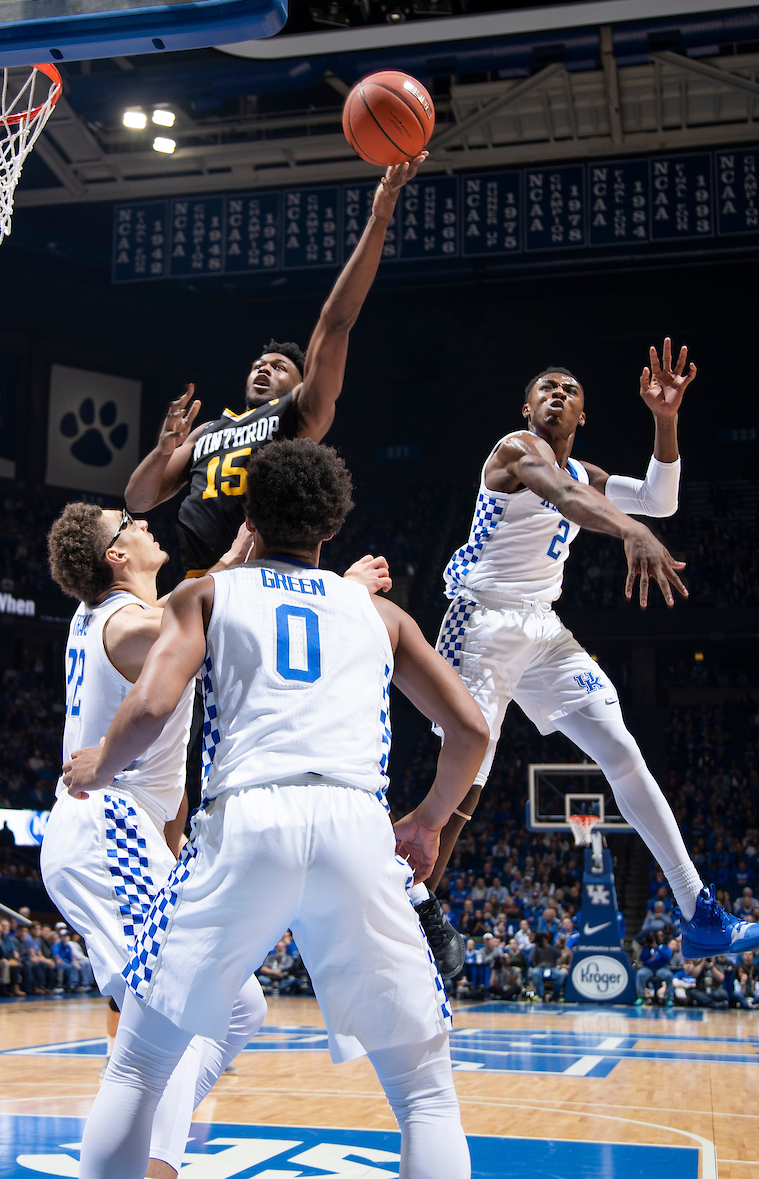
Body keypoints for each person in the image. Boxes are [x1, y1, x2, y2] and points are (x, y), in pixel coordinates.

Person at [63, 438, 489, 1179]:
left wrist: (102, 761)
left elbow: (153, 706)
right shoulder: (378, 614)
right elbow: (472, 731)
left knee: (137, 1069)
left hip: (247, 821)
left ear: (249, 517)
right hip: (357, 824)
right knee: (425, 1094)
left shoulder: (207, 595)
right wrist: (426, 820)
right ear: (331, 527)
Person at [429, 339, 759, 962]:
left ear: (584, 415)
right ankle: (414, 912)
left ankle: (698, 911)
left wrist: (666, 422)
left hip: (542, 630)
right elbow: (563, 497)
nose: (557, 394)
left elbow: (661, 501)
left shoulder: (588, 473)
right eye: (546, 388)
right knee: (465, 785)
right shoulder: (518, 450)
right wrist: (632, 530)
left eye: (570, 390)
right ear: (526, 407)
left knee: (621, 748)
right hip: (482, 623)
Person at [42, 501, 269, 1179]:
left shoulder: (114, 617)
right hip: (106, 824)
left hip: (123, 832)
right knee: (170, 1015)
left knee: (238, 1008)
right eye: (128, 525)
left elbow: (185, 608)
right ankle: (155, 1167)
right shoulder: (126, 625)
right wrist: (332, 592)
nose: (143, 524)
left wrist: (241, 550)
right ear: (116, 556)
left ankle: (150, 1153)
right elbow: (197, 626)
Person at [124, 159, 426, 578]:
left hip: (260, 573)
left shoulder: (297, 413)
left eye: (279, 367)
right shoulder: (206, 431)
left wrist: (380, 214)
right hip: (202, 576)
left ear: (302, 383)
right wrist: (162, 452)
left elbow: (336, 320)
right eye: (258, 365)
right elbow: (138, 501)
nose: (263, 371)